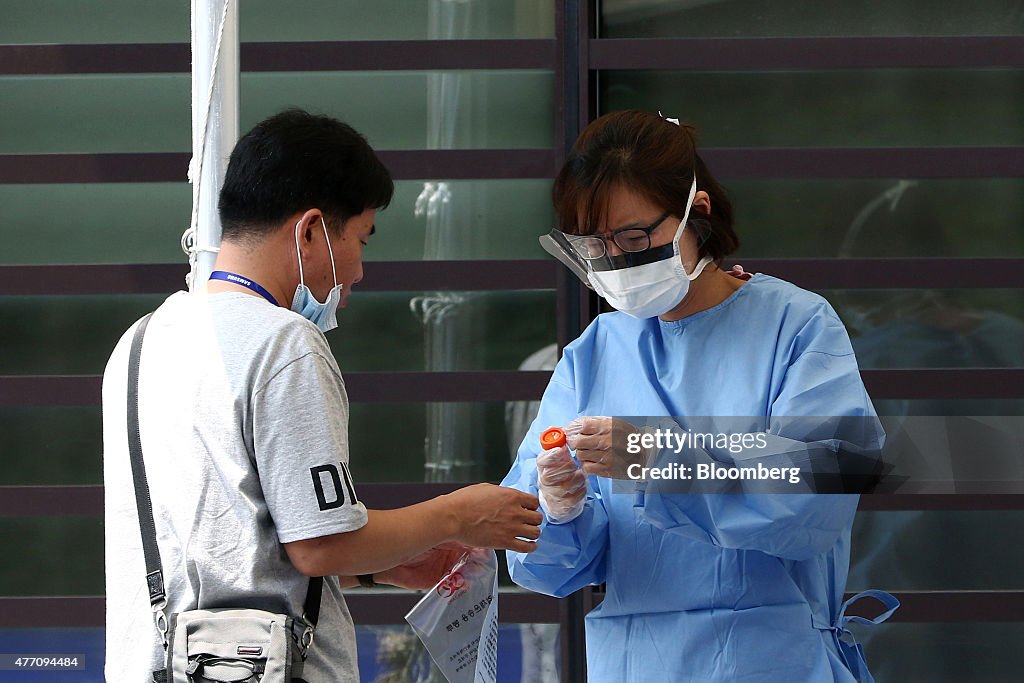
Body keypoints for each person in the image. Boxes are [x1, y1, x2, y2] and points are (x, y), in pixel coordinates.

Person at [102, 109, 542, 682]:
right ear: (310, 229)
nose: (358, 271)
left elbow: (231, 541)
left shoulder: (139, 342)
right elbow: (319, 545)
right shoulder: (285, 343)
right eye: (360, 239)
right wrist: (461, 515)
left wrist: (382, 567)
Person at [503, 110, 891, 681]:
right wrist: (561, 510)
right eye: (596, 245)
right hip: (636, 660)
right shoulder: (593, 355)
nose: (618, 260)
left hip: (772, 657)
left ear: (696, 213)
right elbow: (542, 560)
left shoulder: (795, 325)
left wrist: (663, 459)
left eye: (635, 237)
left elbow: (822, 486)